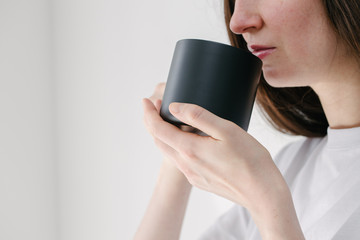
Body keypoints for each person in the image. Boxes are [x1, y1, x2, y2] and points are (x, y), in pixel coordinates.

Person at [134, 0, 360, 239]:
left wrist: (268, 205)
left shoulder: (269, 184)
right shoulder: (290, 167)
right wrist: (179, 154)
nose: (237, 22)